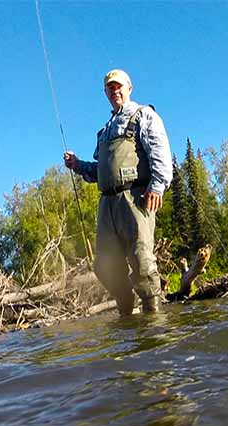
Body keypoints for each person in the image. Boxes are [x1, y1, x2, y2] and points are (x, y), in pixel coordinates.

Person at [64, 69, 173, 315]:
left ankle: (154, 322)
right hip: (107, 203)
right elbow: (97, 172)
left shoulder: (143, 114)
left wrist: (157, 185)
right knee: (104, 265)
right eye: (110, 88)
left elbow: (160, 151)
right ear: (105, 93)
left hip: (135, 198)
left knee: (142, 261)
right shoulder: (104, 132)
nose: (115, 91)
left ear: (129, 88)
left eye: (118, 86)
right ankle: (127, 310)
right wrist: (78, 165)